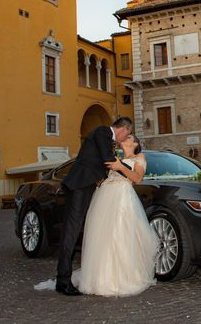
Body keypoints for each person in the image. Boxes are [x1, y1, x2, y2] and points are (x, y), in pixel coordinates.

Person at [55, 117, 133, 296]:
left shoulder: (105, 136)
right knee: (71, 232)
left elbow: (101, 160)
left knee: (73, 230)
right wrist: (128, 172)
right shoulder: (103, 131)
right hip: (80, 186)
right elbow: (107, 159)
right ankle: (63, 280)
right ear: (123, 129)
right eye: (127, 134)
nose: (125, 138)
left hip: (85, 186)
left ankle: (63, 278)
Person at [77, 135, 159, 297]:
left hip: (122, 197)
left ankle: (122, 278)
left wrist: (119, 166)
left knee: (120, 235)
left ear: (135, 143)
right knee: (103, 236)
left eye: (128, 136)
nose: (124, 137)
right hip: (104, 196)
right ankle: (100, 278)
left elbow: (137, 178)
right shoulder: (114, 156)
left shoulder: (139, 157)